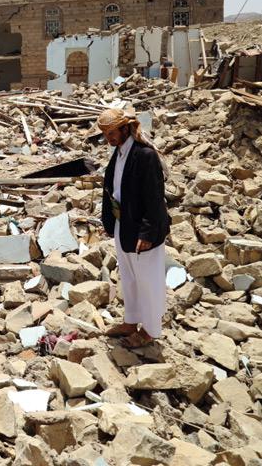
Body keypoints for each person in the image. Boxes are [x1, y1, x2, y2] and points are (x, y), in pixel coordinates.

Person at [98, 108, 171, 348]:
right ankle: (130, 321)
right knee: (129, 278)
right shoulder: (119, 153)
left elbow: (154, 197)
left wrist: (148, 233)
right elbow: (111, 189)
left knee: (147, 281)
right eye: (105, 134)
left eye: (111, 133)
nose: (109, 138)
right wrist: (109, 221)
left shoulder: (144, 155)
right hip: (124, 226)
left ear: (124, 128)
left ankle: (149, 330)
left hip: (142, 230)